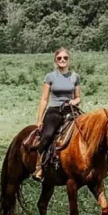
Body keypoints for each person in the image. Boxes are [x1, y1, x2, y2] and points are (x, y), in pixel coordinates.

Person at [32, 47, 82, 181]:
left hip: (71, 110)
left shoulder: (75, 76)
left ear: (69, 60)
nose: (62, 60)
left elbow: (78, 97)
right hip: (54, 110)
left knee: (86, 131)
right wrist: (39, 119)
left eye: (65, 58)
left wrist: (74, 101)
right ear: (55, 60)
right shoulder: (50, 77)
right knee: (47, 136)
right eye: (59, 58)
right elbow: (44, 99)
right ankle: (39, 166)